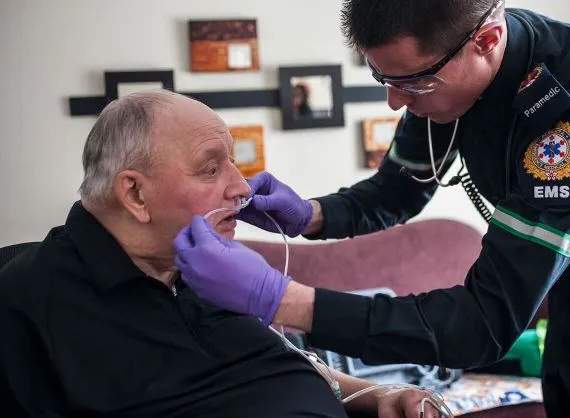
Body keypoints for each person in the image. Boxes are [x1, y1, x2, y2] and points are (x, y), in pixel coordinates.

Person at [173, 0, 570, 417]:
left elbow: (483, 324)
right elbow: (398, 190)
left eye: (411, 84)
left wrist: (284, 300)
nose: (394, 102)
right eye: (382, 77)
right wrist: (311, 215)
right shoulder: (440, 76)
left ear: (488, 40)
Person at [0, 90, 440, 418]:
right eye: (211, 168)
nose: (242, 187)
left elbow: (282, 365)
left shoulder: (206, 269)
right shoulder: (31, 300)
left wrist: (376, 395)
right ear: (135, 192)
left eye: (233, 161)